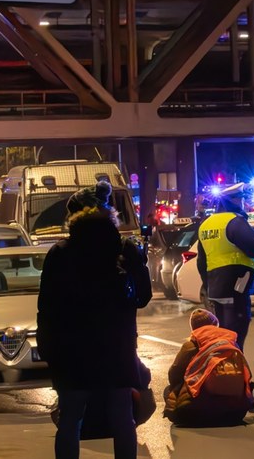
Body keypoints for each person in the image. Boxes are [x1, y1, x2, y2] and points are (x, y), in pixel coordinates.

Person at [37, 181, 152, 459]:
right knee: (122, 418)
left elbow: (47, 307)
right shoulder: (125, 248)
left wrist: (48, 348)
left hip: (72, 351)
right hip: (117, 347)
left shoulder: (61, 253)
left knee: (70, 419)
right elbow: (143, 296)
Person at [194, 194, 254, 349]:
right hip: (237, 285)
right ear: (233, 201)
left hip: (217, 289)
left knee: (224, 332)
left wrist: (208, 285)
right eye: (241, 199)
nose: (243, 202)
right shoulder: (234, 222)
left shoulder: (206, 225)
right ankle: (234, 367)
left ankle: (224, 365)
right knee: (236, 332)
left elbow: (201, 262)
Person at [163, 309, 254, 427]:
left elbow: (174, 374)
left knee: (168, 390)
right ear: (215, 324)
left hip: (200, 413)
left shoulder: (191, 345)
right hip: (236, 412)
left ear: (194, 328)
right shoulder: (231, 342)